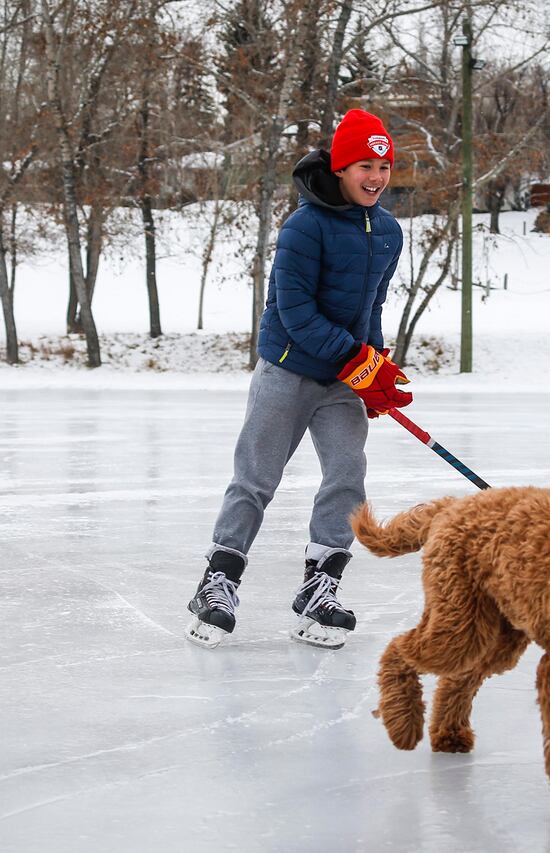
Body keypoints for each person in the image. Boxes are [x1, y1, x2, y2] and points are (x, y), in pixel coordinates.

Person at [186, 109, 411, 650]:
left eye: (384, 166)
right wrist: (355, 360)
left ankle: (320, 587)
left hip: (342, 380)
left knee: (347, 476)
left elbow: (372, 306)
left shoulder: (387, 231)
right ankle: (218, 581)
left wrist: (375, 364)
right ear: (340, 168)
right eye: (365, 165)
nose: (376, 177)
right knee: (256, 479)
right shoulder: (305, 226)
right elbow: (295, 311)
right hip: (288, 370)